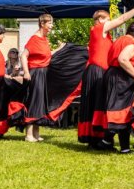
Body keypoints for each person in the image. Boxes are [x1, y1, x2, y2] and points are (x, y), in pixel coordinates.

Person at [78, 0, 134, 148]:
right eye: (108, 19)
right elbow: (121, 19)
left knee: (97, 104)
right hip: (97, 71)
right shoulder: (99, 29)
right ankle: (96, 139)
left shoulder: (103, 35)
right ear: (100, 20)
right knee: (97, 104)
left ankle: (98, 139)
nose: (111, 22)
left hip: (98, 70)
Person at [19, 13, 88, 142]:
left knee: (40, 102)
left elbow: (47, 56)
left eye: (52, 23)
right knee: (34, 102)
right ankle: (28, 135)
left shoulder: (44, 39)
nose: (51, 26)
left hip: (44, 73)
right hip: (36, 73)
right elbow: (23, 56)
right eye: (49, 23)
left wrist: (59, 49)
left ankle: (36, 133)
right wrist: (26, 72)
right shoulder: (34, 39)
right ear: (42, 24)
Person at [99, 22, 134, 154]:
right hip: (122, 79)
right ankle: (110, 142)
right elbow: (123, 59)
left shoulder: (119, 40)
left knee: (119, 112)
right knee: (124, 112)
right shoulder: (130, 43)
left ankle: (117, 145)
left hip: (113, 76)